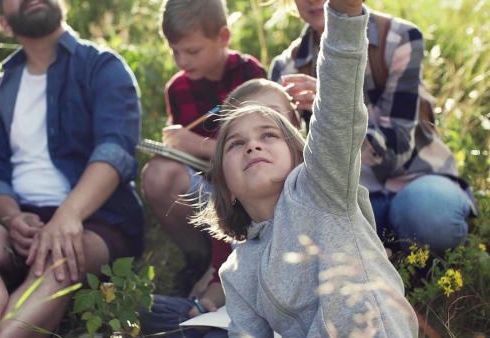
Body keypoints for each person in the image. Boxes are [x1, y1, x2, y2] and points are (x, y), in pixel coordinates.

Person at [193, 0, 420, 335]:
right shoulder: (236, 274)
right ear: (223, 184)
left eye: (268, 135)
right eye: (236, 144)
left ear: (299, 154)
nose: (252, 145)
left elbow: (338, 108)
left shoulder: (320, 188)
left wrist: (344, 17)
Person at [0, 0, 145, 337]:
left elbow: (115, 151)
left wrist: (69, 215)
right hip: (23, 220)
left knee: (60, 258)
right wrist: (11, 218)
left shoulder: (103, 68)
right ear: (5, 23)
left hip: (94, 218)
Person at [269, 0, 477, 255]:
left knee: (431, 216)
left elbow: (398, 148)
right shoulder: (285, 67)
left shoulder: (399, 38)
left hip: (416, 179)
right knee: (311, 235)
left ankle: (401, 257)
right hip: (347, 199)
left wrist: (333, 107)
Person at [139, 78, 300, 338]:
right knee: (142, 309)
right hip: (237, 317)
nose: (253, 144)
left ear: (297, 131)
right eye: (238, 142)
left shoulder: (318, 193)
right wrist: (206, 304)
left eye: (268, 129)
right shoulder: (236, 223)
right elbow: (227, 279)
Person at [141, 0, 266, 296]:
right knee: (157, 174)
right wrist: (174, 149)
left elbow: (259, 147)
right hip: (208, 185)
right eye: (175, 51)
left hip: (248, 190)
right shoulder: (178, 87)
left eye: (192, 51)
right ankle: (199, 257)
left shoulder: (250, 75)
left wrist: (192, 143)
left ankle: (233, 262)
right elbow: (189, 160)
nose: (181, 60)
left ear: (223, 37)